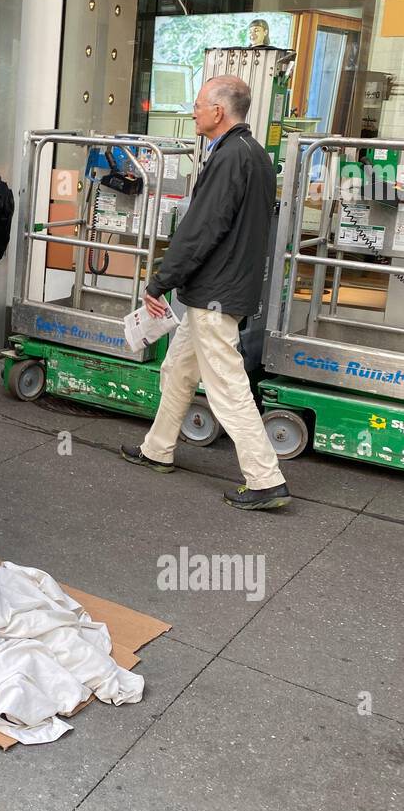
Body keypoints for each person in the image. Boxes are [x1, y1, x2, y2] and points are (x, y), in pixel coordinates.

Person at [121, 75, 291, 511]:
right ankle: (157, 449)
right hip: (222, 289)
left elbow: (201, 229)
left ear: (218, 111)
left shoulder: (230, 156)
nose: (192, 111)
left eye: (198, 104)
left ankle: (266, 479)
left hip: (215, 293)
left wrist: (160, 280)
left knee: (228, 387)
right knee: (178, 369)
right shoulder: (254, 154)